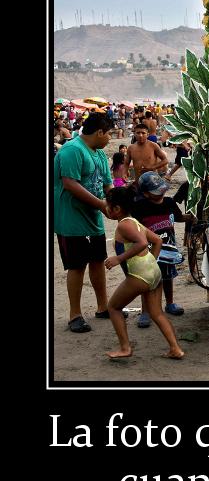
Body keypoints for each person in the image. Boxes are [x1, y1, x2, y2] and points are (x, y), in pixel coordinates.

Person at [103, 186, 185, 360]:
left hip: (139, 275)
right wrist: (151, 262)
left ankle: (125, 348)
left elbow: (141, 243)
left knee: (113, 307)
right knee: (157, 313)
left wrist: (119, 259)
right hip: (153, 272)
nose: (106, 209)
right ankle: (175, 348)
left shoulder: (124, 225)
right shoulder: (135, 222)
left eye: (107, 206)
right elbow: (156, 241)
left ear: (116, 209)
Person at [54, 111, 114, 333]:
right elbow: (70, 183)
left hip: (93, 218)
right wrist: (101, 205)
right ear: (99, 132)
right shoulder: (72, 150)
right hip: (71, 219)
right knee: (76, 266)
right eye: (108, 134)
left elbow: (108, 185)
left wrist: (116, 204)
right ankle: (75, 315)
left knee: (98, 260)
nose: (110, 138)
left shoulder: (98, 153)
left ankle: (102, 306)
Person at [131, 171, 196, 325]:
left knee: (168, 276)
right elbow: (133, 226)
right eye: (156, 192)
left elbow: (179, 217)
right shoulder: (140, 206)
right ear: (145, 193)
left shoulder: (169, 203)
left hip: (169, 249)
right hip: (148, 251)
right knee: (147, 280)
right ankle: (145, 311)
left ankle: (170, 303)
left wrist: (192, 217)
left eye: (162, 190)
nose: (160, 194)